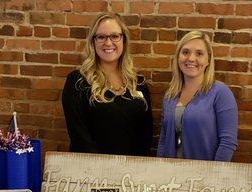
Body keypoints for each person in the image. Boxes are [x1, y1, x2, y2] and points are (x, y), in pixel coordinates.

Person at [62, 13, 153, 156]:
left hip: (131, 172)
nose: (108, 43)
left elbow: (146, 134)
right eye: (101, 37)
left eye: (115, 36)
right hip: (91, 171)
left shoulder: (138, 82)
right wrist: (105, 169)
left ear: (124, 39)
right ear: (93, 41)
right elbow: (79, 136)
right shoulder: (77, 82)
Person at [157, 31, 238, 161]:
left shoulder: (220, 93)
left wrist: (214, 174)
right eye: (185, 52)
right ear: (178, 57)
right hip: (170, 176)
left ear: (208, 60)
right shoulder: (170, 95)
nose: (191, 58)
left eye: (199, 54)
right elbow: (163, 139)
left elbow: (228, 143)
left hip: (204, 176)